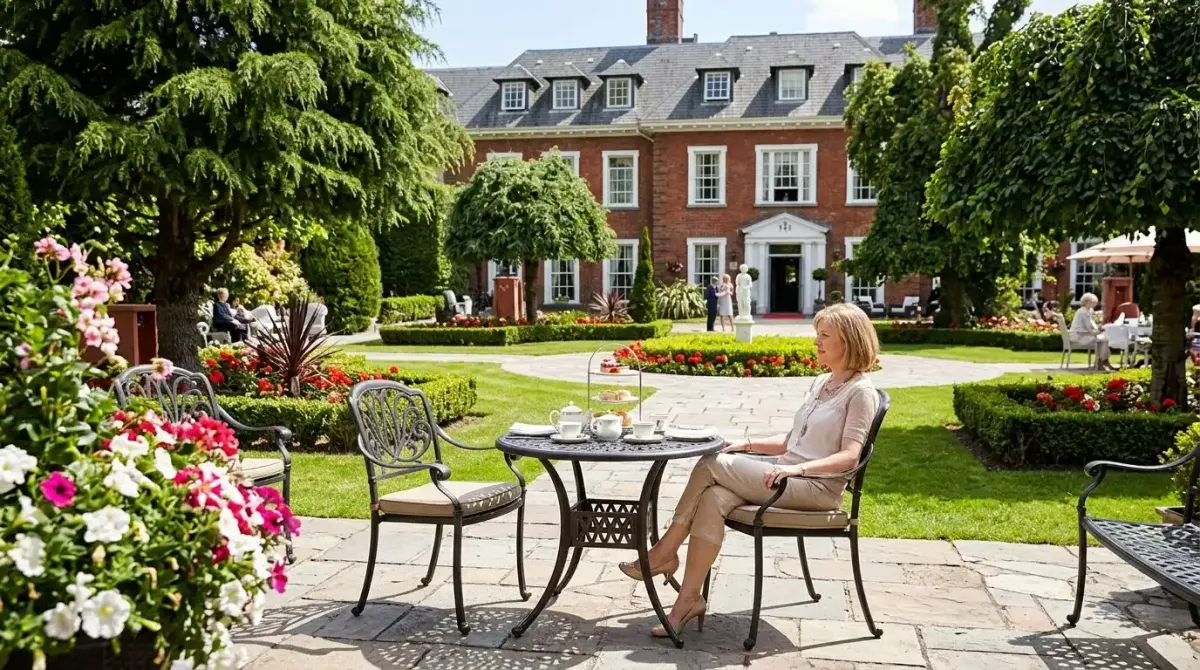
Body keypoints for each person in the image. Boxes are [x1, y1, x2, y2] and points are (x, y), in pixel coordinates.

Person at [616, 303, 881, 636]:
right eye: (817, 334)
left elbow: (850, 457)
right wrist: (747, 443)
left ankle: (665, 551)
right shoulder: (822, 383)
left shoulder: (861, 393)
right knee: (713, 496)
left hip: (816, 489)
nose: (817, 342)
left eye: (825, 336)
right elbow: (791, 442)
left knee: (711, 463)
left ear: (850, 341)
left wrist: (798, 472)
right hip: (786, 475)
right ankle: (688, 601)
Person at [1071, 292, 1111, 370]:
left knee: (1105, 338)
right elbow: (1088, 327)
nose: (1095, 304)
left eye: (1095, 302)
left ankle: (1103, 362)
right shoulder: (1083, 312)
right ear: (1086, 302)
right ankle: (1100, 363)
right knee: (1102, 340)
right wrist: (1098, 331)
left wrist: (1098, 328)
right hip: (1079, 336)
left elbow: (1091, 325)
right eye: (1093, 302)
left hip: (1085, 334)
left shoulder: (1089, 311)